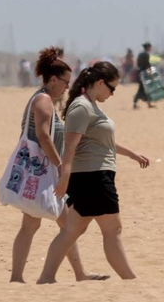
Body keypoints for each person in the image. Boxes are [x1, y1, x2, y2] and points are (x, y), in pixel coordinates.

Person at [37, 62, 150, 283]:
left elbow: (103, 142)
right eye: (112, 88)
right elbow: (70, 147)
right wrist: (64, 178)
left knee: (72, 231)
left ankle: (46, 278)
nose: (113, 93)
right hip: (93, 177)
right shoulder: (81, 107)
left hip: (91, 176)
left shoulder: (89, 105)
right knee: (112, 230)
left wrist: (131, 154)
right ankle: (130, 280)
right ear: (99, 83)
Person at [9, 48, 104, 283]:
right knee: (66, 226)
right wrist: (61, 166)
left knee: (35, 225)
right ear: (53, 80)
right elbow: (43, 137)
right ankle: (39, 276)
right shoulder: (43, 100)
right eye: (65, 82)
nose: (67, 87)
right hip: (43, 172)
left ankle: (20, 277)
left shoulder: (45, 99)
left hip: (41, 172)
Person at [133, 42, 154, 110]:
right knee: (141, 89)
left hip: (140, 73)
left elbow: (138, 64)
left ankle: (148, 104)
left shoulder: (140, 54)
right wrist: (151, 74)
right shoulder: (146, 55)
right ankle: (135, 104)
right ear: (148, 47)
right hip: (144, 73)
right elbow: (148, 64)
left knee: (144, 89)